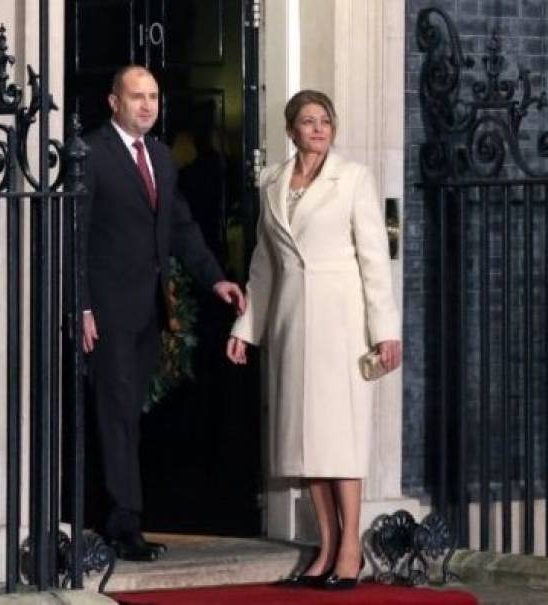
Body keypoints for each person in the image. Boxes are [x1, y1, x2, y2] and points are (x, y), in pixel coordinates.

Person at [226, 90, 402, 590]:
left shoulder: (354, 179)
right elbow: (264, 263)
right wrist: (246, 329)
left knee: (341, 437)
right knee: (306, 442)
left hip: (342, 323)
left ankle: (351, 550)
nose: (319, 128)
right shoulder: (273, 182)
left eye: (325, 120)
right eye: (308, 120)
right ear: (291, 130)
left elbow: (374, 260)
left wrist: (385, 331)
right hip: (291, 321)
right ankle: (326, 546)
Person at [79, 65, 246, 562]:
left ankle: (121, 514)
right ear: (114, 102)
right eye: (137, 97)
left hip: (148, 311)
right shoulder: (90, 154)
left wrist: (214, 278)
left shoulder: (158, 155)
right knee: (115, 416)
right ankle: (122, 524)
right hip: (107, 312)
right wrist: (80, 305)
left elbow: (180, 226)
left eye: (153, 96)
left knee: (129, 415)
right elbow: (72, 237)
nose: (148, 105)